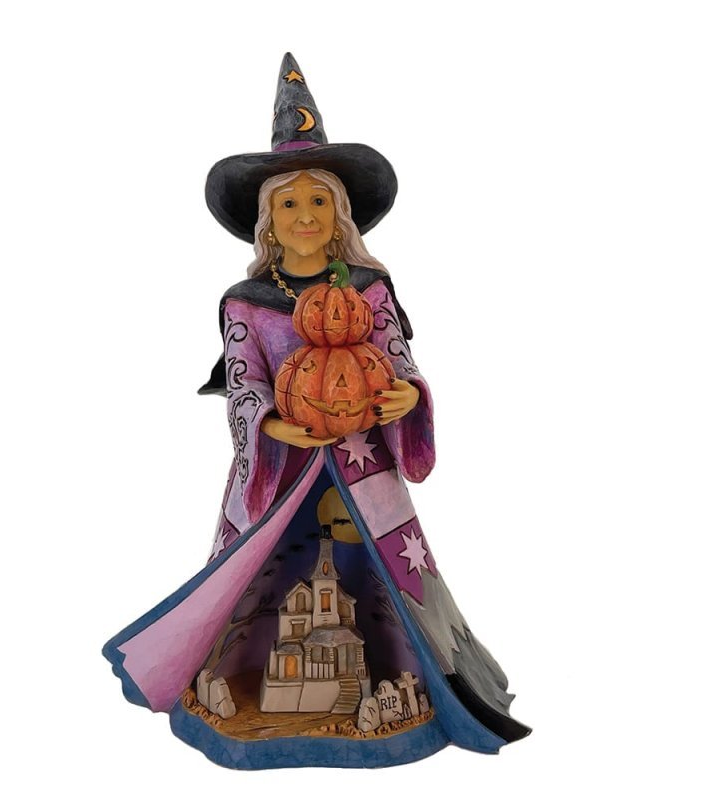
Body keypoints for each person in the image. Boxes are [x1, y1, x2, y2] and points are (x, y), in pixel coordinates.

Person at [103, 53, 529, 770]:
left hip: (363, 464)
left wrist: (407, 394)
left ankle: (402, 674)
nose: (305, 216)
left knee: (375, 573)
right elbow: (244, 380)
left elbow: (395, 357)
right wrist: (268, 422)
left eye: (319, 202)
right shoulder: (246, 304)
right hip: (283, 467)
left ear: (339, 214)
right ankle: (240, 675)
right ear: (269, 222)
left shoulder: (368, 289)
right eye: (290, 205)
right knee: (265, 575)